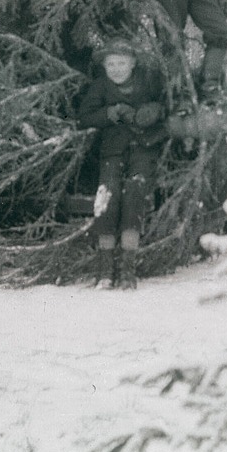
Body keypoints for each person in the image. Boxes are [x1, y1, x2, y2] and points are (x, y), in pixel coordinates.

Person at [76, 39, 166, 289]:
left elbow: (167, 105)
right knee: (107, 198)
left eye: (122, 63)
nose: (116, 69)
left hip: (143, 148)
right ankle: (105, 270)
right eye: (111, 64)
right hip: (112, 150)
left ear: (133, 63)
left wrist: (154, 110)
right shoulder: (100, 86)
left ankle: (128, 269)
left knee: (135, 195)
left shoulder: (148, 81)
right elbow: (84, 117)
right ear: (104, 66)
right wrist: (110, 113)